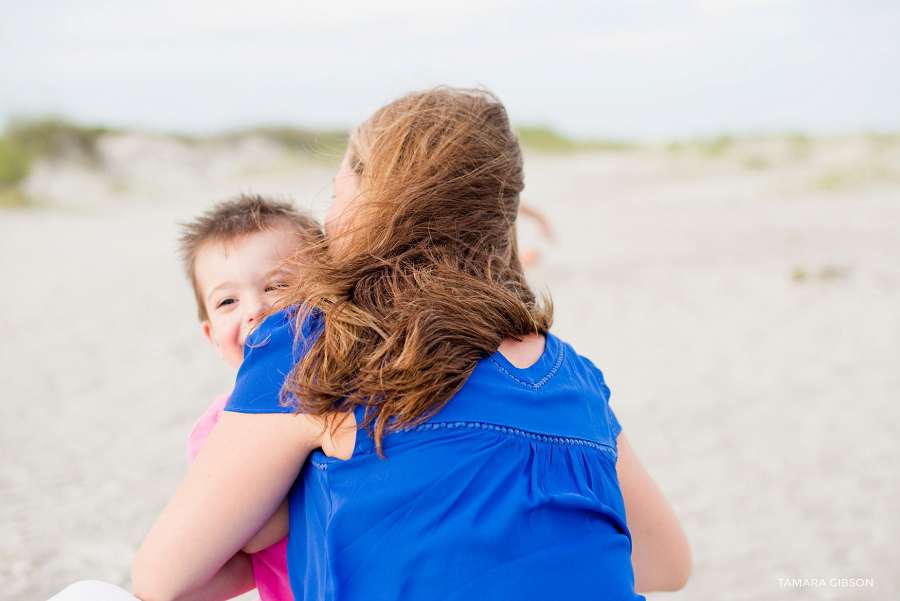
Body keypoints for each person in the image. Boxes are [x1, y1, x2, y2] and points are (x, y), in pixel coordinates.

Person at [131, 87, 691, 601]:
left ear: (373, 200)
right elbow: (668, 566)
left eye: (338, 185)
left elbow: (161, 579)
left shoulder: (314, 342)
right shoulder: (572, 377)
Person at [178, 194, 322, 601]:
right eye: (228, 301)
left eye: (277, 285)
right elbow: (254, 533)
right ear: (213, 339)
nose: (255, 311)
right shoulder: (218, 432)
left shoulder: (358, 390)